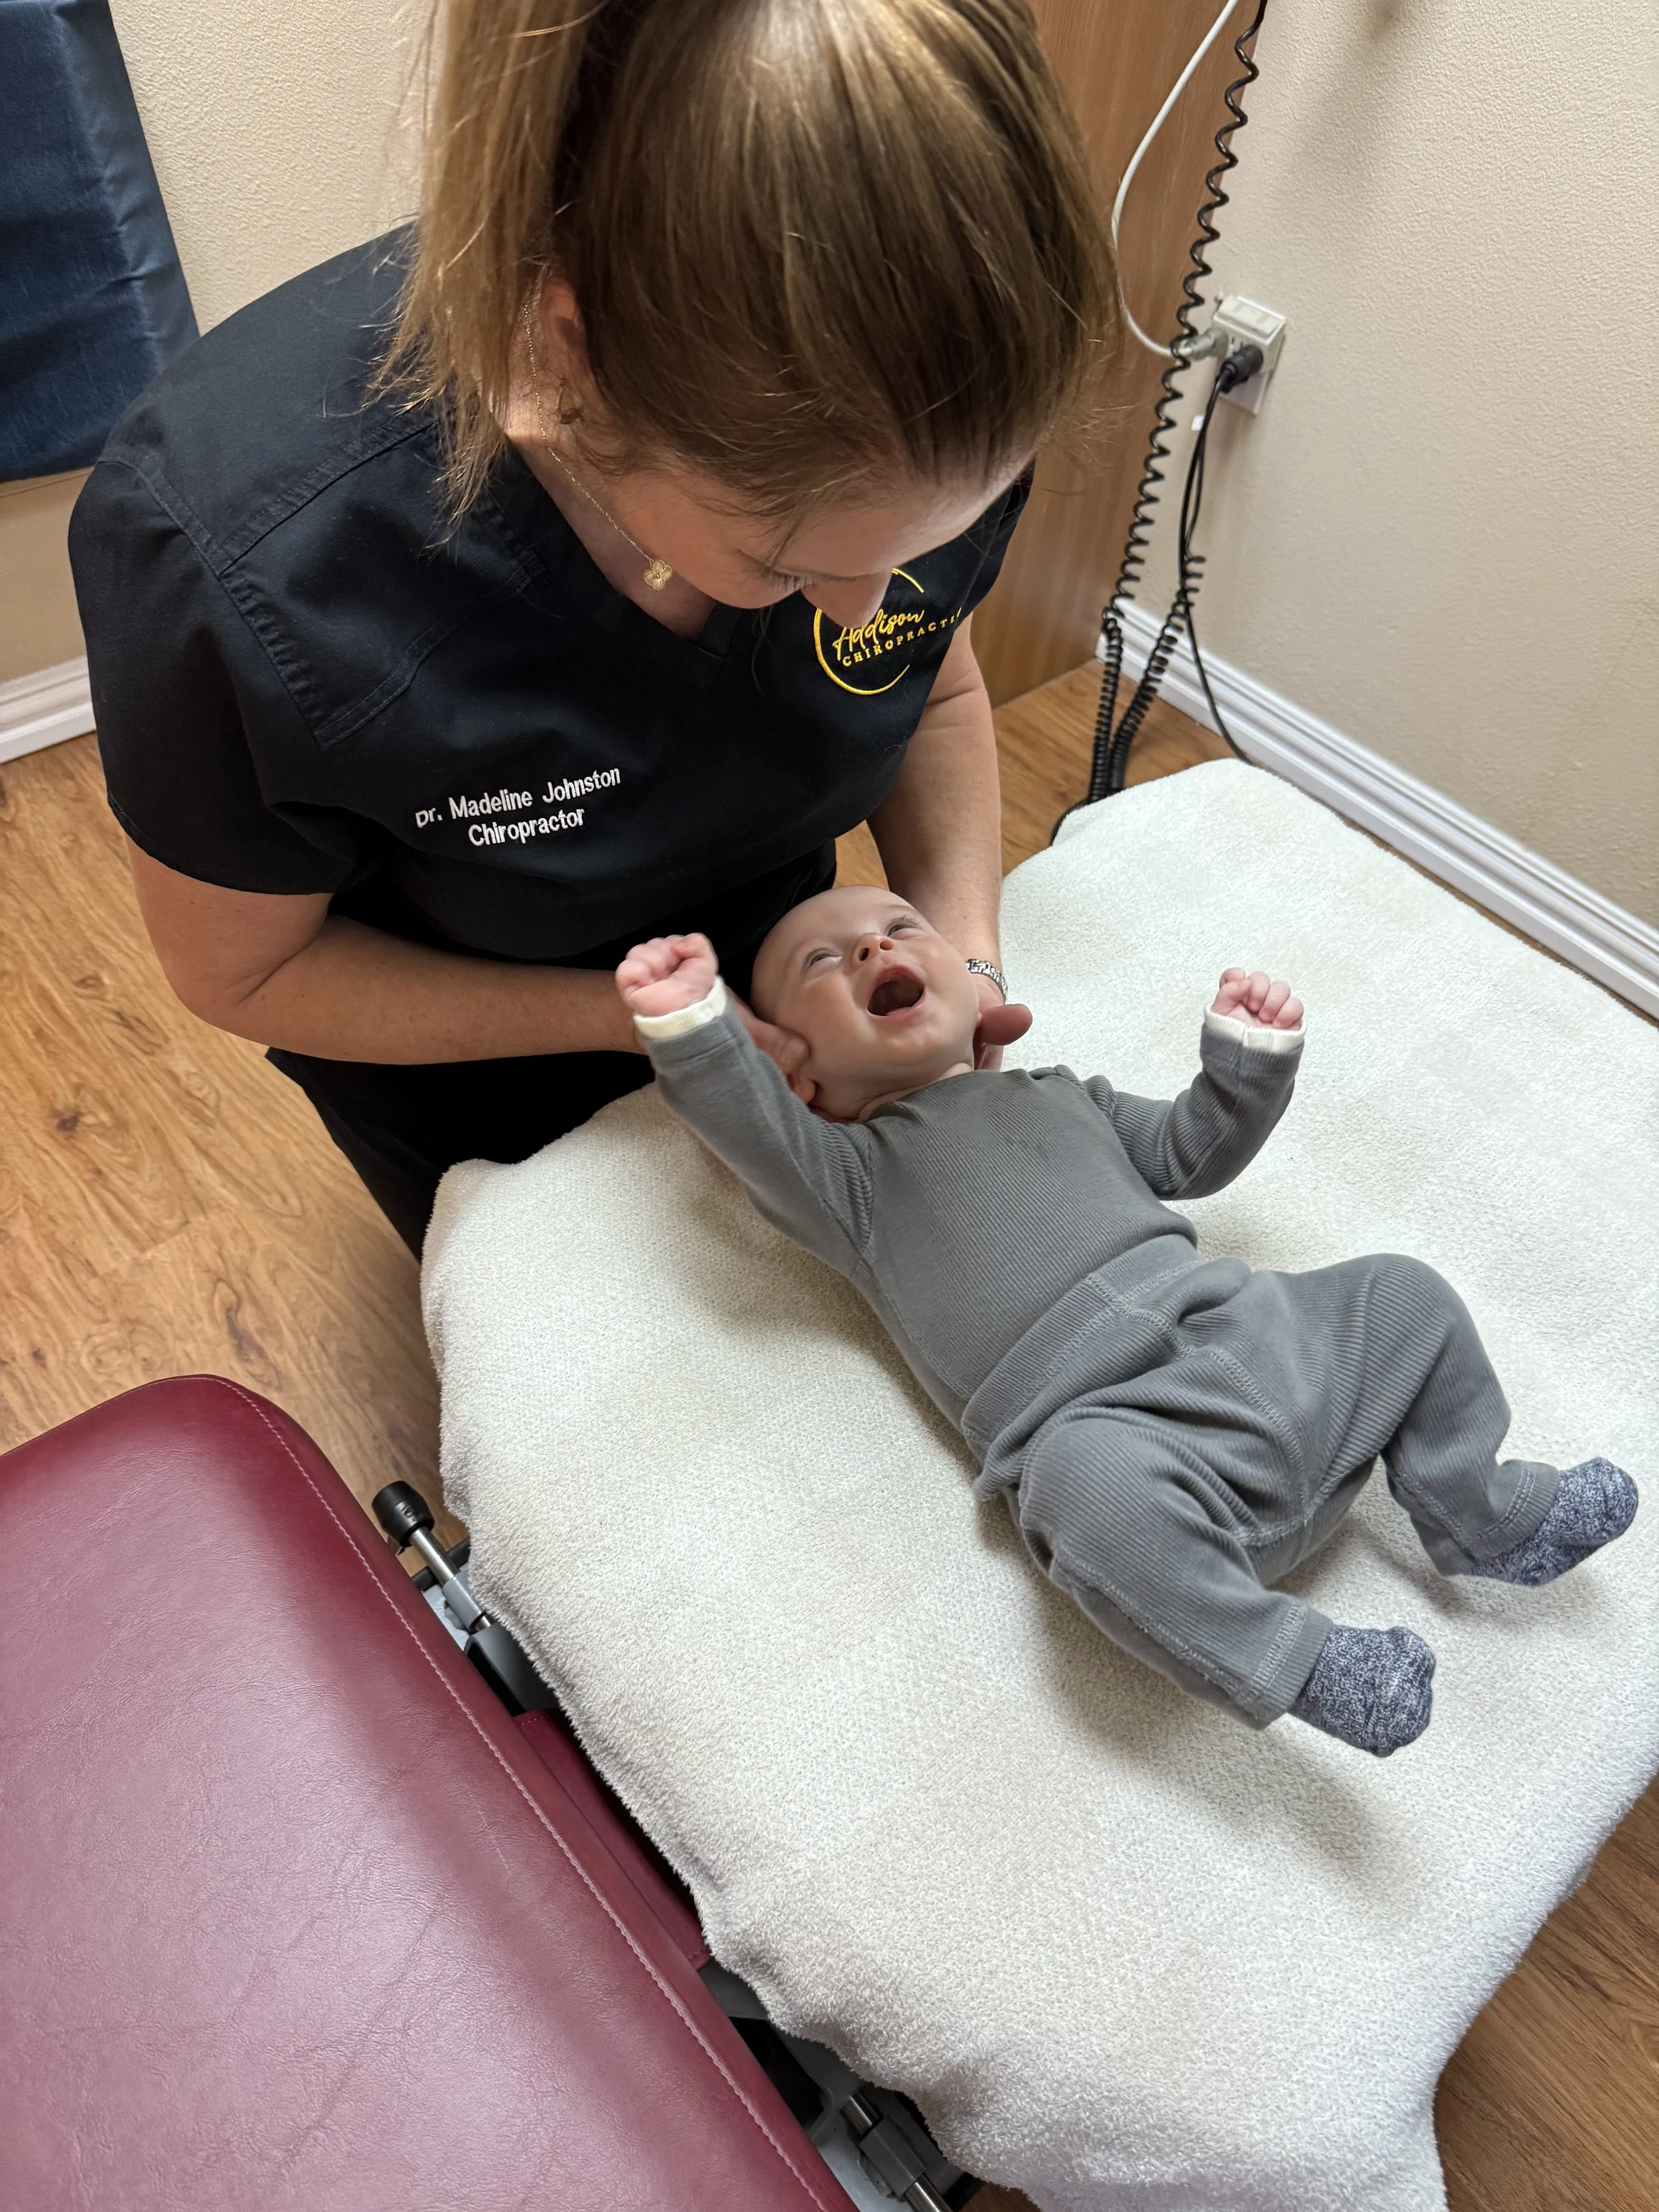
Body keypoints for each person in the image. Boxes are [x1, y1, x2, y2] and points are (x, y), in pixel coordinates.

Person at [68, 0, 1118, 1255]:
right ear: (575, 358)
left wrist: (965, 962)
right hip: (482, 1074)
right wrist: (648, 1023)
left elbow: (933, 689)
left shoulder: (924, 415)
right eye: (789, 562)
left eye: (919, 543)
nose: (870, 600)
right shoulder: (241, 565)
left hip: (788, 987)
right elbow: (245, 972)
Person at [614, 890, 1638, 1755]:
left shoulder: (1068, 1094)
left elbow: (1192, 1153)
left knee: (1401, 1291)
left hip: (1257, 1339)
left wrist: (1245, 1064)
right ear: (803, 1077)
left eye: (898, 926)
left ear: (978, 988)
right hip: (1125, 1435)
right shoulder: (847, 1179)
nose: (877, 948)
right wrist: (695, 1026)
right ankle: (1307, 1662)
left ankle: (1485, 1514)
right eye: (825, 964)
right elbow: (749, 1127)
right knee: (1080, 1490)